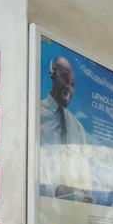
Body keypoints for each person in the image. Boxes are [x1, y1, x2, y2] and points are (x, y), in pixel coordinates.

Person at [38, 55, 93, 202]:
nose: (69, 87)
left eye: (73, 84)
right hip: (45, 207)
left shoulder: (78, 128)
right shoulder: (35, 114)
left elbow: (84, 173)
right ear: (52, 74)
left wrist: (88, 194)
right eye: (64, 77)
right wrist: (56, 191)